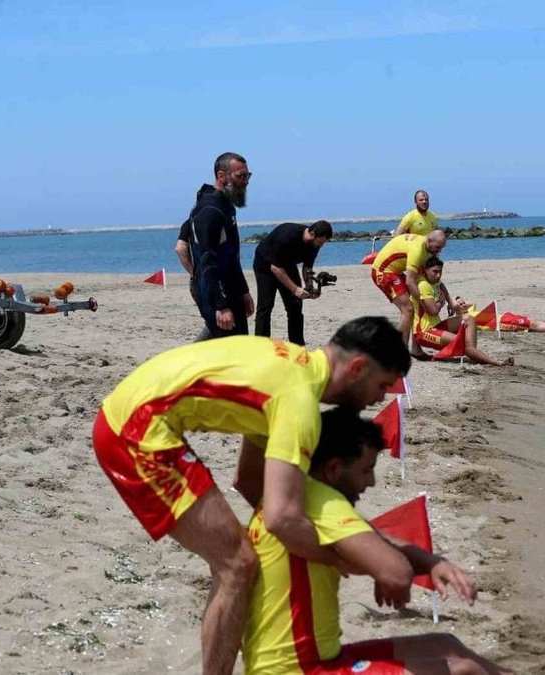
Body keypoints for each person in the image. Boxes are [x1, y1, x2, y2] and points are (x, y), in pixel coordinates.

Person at [91, 316, 410, 675]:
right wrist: (337, 558)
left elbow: (249, 481)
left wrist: (333, 535)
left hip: (131, 413)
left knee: (241, 559)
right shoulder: (299, 402)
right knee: (236, 565)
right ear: (357, 367)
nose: (380, 399)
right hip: (135, 428)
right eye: (382, 386)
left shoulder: (294, 367)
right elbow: (280, 517)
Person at [241, 407, 510, 674]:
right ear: (334, 468)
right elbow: (397, 574)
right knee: (464, 671)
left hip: (315, 659)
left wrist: (432, 562)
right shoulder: (324, 502)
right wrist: (383, 571)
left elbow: (377, 538)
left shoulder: (298, 495)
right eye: (366, 470)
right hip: (299, 669)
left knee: (445, 644)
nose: (371, 482)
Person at [188, 152, 255, 338]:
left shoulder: (226, 205)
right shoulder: (209, 210)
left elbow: (232, 257)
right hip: (216, 292)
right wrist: (220, 304)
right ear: (221, 176)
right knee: (226, 347)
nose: (246, 182)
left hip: (231, 288)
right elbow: (206, 260)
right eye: (240, 176)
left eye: (247, 176)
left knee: (237, 343)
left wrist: (244, 292)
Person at [412, 257, 514, 366]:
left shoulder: (437, 282)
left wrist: (454, 304)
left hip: (436, 325)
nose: (438, 275)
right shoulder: (423, 285)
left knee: (469, 319)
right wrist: (441, 302)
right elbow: (433, 311)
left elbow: (447, 295)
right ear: (426, 271)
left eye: (440, 272)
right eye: (435, 272)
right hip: (423, 332)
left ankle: (471, 351)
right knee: (461, 343)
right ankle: (496, 362)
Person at [252, 220, 333, 345]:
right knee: (266, 306)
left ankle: (297, 345)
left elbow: (307, 268)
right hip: (265, 264)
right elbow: (275, 268)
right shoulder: (287, 235)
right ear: (312, 234)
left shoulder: (314, 245)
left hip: (288, 264)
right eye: (321, 242)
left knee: (295, 306)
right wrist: (295, 289)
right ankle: (261, 346)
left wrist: (310, 288)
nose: (321, 245)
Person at [370, 230, 447, 357]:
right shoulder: (417, 250)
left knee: (414, 304)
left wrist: (449, 301)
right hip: (383, 271)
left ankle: (415, 349)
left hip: (396, 270)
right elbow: (410, 281)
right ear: (429, 240)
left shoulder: (427, 249)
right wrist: (424, 303)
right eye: (438, 247)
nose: (439, 251)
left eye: (442, 248)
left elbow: (434, 280)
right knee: (408, 309)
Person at [175, 219, 213, 342]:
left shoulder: (190, 222)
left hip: (198, 279)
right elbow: (180, 249)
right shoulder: (197, 222)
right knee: (215, 324)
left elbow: (180, 248)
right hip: (204, 280)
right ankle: (193, 352)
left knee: (215, 323)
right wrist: (193, 271)